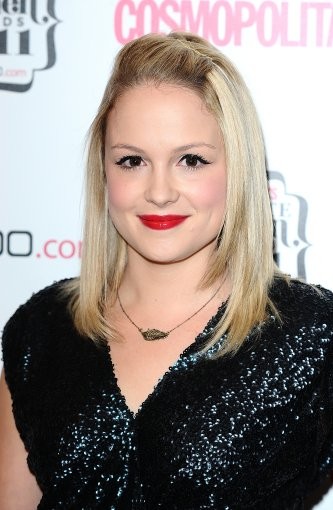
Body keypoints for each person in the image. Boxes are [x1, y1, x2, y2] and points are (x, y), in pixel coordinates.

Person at [0, 31, 332, 510]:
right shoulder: (41, 330)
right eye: (132, 160)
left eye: (191, 160)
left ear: (236, 168)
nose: (159, 191)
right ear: (104, 170)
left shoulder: (312, 334)